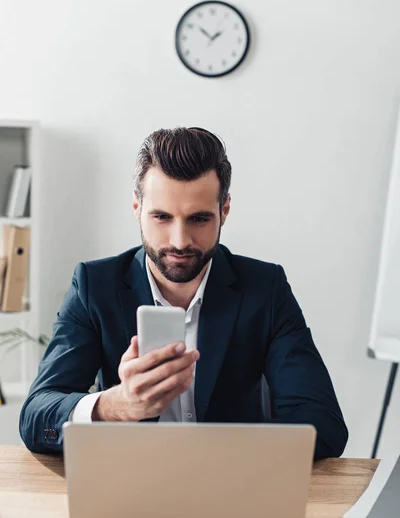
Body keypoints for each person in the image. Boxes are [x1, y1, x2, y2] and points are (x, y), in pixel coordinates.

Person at [19, 127, 348, 459]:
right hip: (128, 484)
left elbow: (324, 426)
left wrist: (213, 457)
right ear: (136, 206)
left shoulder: (265, 288)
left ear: (225, 210)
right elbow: (36, 420)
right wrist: (116, 406)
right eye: (162, 216)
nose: (179, 240)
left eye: (199, 218)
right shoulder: (94, 285)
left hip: (233, 486)